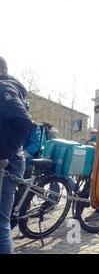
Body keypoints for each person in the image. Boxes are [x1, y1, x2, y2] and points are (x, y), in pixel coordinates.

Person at [0, 56, 32, 254]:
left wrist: (1, 153)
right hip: (9, 160)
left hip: (6, 164)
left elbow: (23, 122)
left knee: (0, 223)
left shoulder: (4, 87)